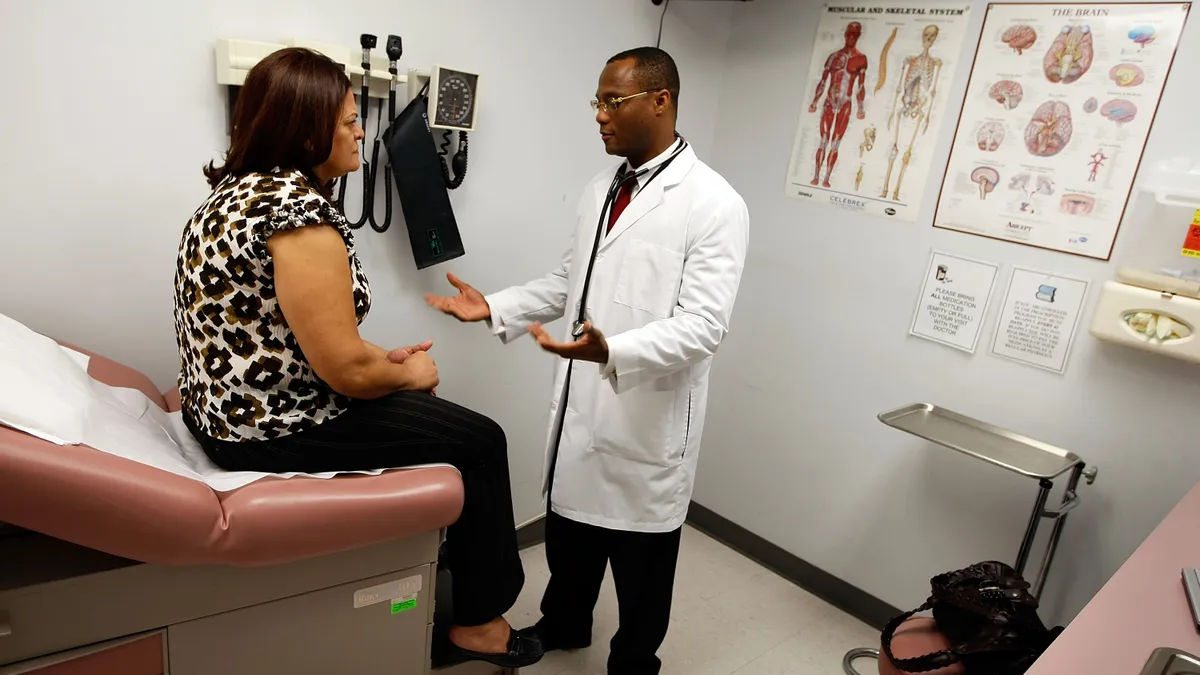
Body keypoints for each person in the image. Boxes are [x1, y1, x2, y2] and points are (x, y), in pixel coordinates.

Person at [172, 47, 542, 670]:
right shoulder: (298, 216)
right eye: (348, 121)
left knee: (427, 411)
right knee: (482, 441)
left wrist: (381, 362)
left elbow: (286, 337)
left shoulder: (233, 197)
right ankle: (480, 624)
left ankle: (449, 567)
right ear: (307, 126)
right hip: (270, 429)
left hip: (221, 414)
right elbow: (343, 371)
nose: (360, 131)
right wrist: (406, 372)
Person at [426, 46, 749, 675]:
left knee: (641, 568)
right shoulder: (604, 187)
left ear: (660, 101)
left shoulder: (714, 203)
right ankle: (566, 623)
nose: (599, 115)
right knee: (571, 537)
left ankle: (634, 660)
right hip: (583, 407)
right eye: (596, 102)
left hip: (647, 419)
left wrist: (615, 349)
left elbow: (705, 326)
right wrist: (495, 306)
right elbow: (571, 280)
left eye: (612, 101)